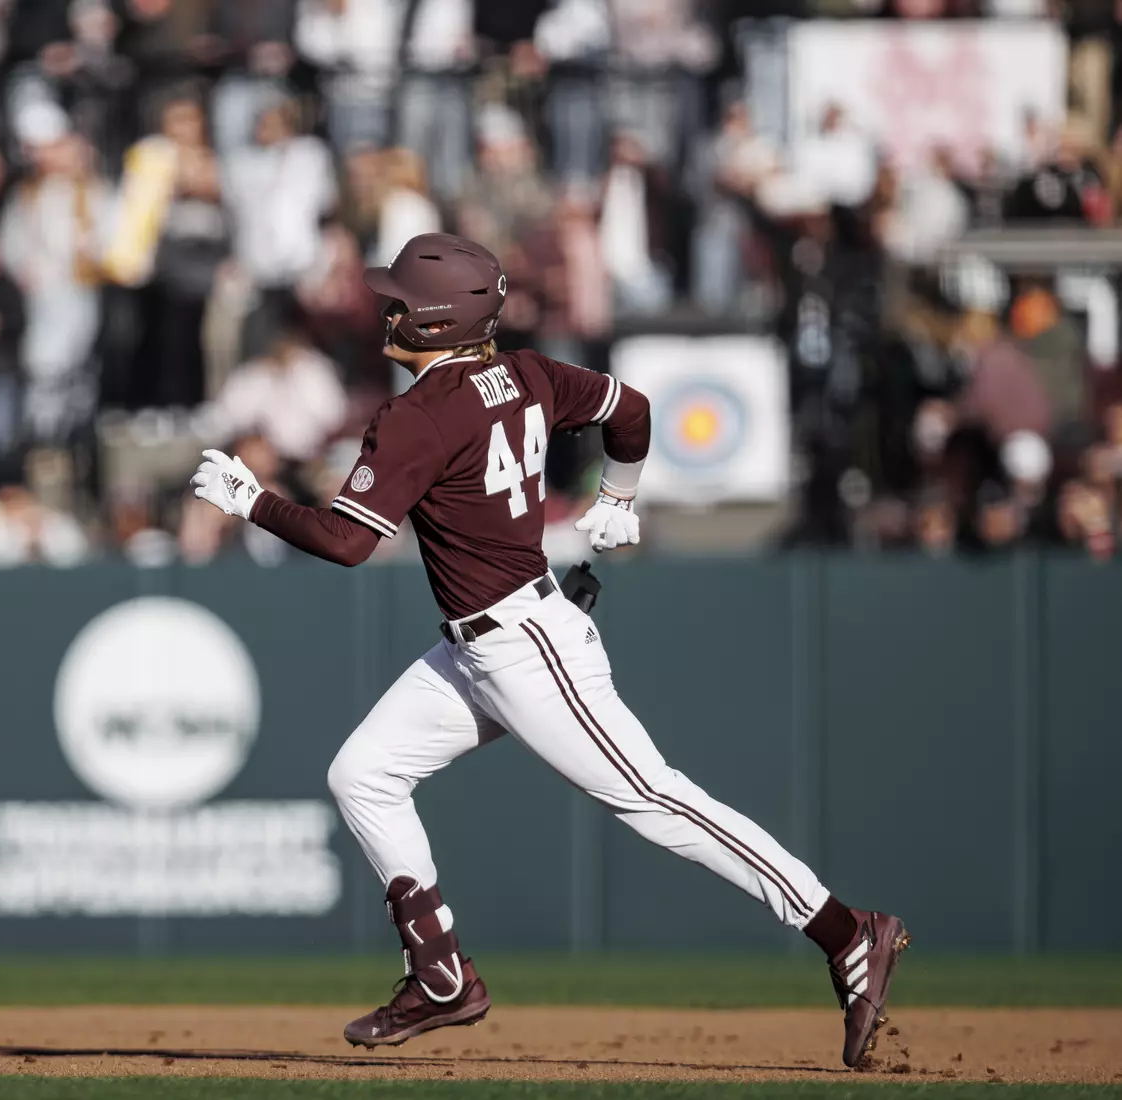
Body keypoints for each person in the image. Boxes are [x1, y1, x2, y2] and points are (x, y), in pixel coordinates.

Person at [189, 233, 909, 1067]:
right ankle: (442, 974)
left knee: (655, 800)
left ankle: (848, 931)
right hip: (483, 644)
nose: (384, 310)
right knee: (363, 774)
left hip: (526, 644)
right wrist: (619, 495)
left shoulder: (418, 415)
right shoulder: (527, 373)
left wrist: (253, 502)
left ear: (433, 318)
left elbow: (347, 544)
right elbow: (632, 408)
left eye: (398, 300)